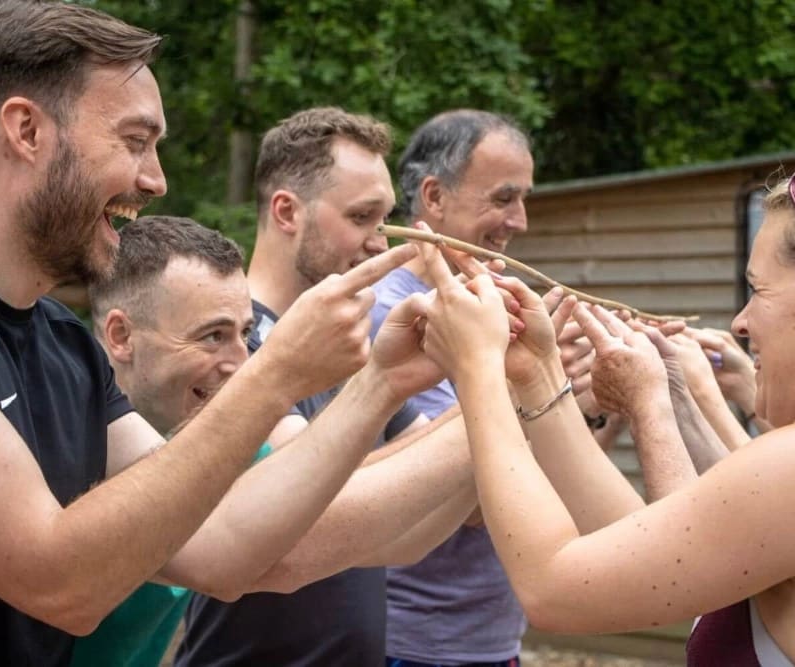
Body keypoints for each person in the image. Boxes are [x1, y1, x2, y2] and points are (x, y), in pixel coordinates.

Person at [0, 3, 427, 663]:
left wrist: (431, 381)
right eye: (134, 140)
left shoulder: (63, 342)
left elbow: (224, 544)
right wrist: (277, 372)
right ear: (26, 129)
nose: (156, 179)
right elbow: (58, 579)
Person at [413, 89, 795, 664]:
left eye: (759, 290)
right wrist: (538, 378)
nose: (742, 322)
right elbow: (657, 548)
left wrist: (478, 371)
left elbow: (553, 586)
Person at [82, 215, 478, 666]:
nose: (240, 361)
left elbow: (390, 537)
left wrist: (404, 385)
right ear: (120, 336)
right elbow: (287, 554)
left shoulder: (209, 443)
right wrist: (493, 395)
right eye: (212, 336)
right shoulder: (74, 431)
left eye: (245, 334)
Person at [177, 108, 482, 666]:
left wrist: (542, 396)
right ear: (287, 211)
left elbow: (417, 524)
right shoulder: (227, 345)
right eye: (363, 217)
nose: (383, 241)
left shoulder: (357, 343)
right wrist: (488, 396)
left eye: (387, 216)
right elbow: (321, 503)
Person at [371, 109, 535, 667]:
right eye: (504, 197)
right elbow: (468, 501)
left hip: (492, 640)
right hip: (416, 647)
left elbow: (542, 477)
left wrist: (585, 407)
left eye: (523, 199)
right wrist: (536, 395)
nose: (521, 221)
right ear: (434, 197)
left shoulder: (486, 307)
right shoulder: (395, 315)